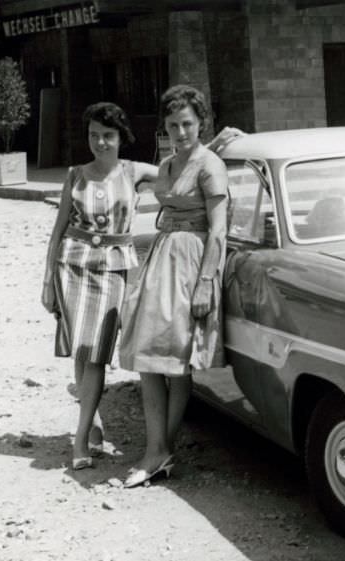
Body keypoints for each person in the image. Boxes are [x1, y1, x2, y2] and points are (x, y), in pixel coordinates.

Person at [119, 85, 229, 488]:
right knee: (149, 357)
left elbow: (218, 231)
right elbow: (143, 174)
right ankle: (158, 448)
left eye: (187, 124)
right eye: (172, 125)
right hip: (161, 261)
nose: (180, 132)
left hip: (191, 264)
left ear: (200, 124)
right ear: (163, 128)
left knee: (178, 362)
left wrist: (205, 283)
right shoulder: (167, 164)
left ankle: (159, 451)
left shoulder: (209, 165)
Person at [41, 102, 158, 470]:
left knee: (96, 352)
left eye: (107, 135)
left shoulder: (134, 171)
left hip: (114, 268)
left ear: (121, 136)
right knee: (83, 348)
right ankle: (88, 426)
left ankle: (81, 433)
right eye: (94, 135)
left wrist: (221, 143)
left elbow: (184, 167)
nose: (100, 143)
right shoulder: (76, 174)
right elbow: (58, 229)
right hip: (72, 266)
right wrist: (47, 281)